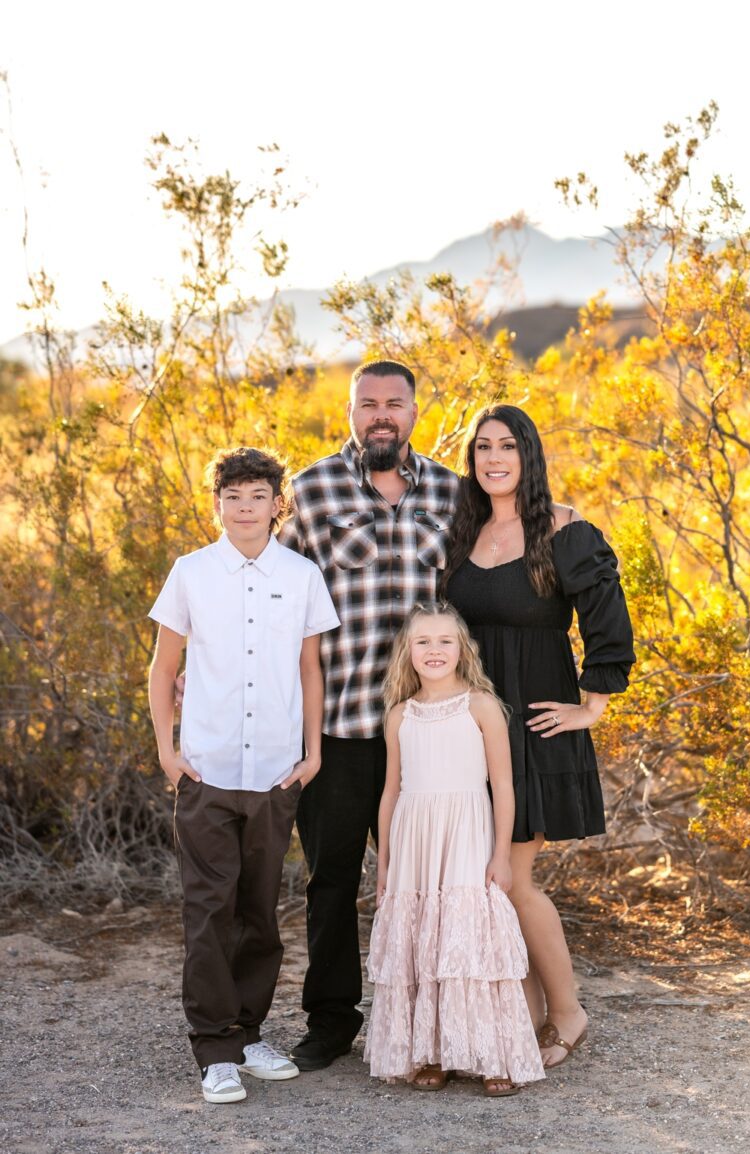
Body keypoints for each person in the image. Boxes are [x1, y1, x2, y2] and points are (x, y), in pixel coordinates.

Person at [278, 359, 460, 1070]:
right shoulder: (313, 487)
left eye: (394, 403)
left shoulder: (450, 492)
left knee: (426, 882)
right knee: (331, 879)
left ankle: (424, 1019)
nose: (381, 415)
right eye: (368, 404)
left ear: (415, 410)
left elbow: (481, 580)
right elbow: (279, 591)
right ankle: (331, 1020)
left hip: (425, 731)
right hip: (338, 726)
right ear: (349, 411)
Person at [442, 404, 635, 1068]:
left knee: (513, 879)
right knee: (481, 880)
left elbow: (608, 617)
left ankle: (568, 1012)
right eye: (483, 448)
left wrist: (593, 706)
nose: (494, 458)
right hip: (467, 732)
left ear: (529, 455)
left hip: (533, 723)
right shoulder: (458, 534)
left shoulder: (563, 531)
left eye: (508, 446)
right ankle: (519, 1016)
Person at [147, 447, 339, 1103]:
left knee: (259, 911)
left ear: (277, 504)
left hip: (275, 771)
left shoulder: (303, 574)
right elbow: (162, 668)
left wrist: (312, 753)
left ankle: (249, 1032)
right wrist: (168, 754)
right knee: (209, 911)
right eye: (233, 496)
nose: (246, 508)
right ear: (217, 504)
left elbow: (311, 669)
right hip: (206, 768)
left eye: (258, 495)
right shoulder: (191, 573)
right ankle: (215, 1051)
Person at [364, 602, 546, 1095]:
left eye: (445, 640)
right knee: (425, 944)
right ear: (407, 652)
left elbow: (503, 787)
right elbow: (390, 791)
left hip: (467, 831)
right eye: (423, 642)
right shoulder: (400, 715)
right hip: (413, 838)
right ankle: (433, 1053)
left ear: (463, 649)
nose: (434, 650)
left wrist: (501, 855)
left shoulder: (481, 706)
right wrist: (385, 863)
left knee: (470, 943)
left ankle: (494, 1056)